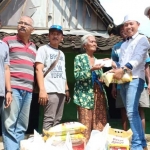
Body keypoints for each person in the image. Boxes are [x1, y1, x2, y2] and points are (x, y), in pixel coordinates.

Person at [111, 15, 150, 150]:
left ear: (138, 24)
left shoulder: (142, 39)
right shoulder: (124, 45)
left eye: (131, 24)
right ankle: (142, 144)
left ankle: (137, 145)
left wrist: (123, 69)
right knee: (131, 112)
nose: (128, 27)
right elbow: (120, 63)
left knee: (132, 112)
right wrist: (109, 63)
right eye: (126, 25)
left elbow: (138, 58)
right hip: (123, 80)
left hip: (135, 79)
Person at [2, 16, 36, 150]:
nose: (22, 25)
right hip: (13, 88)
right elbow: (4, 67)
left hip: (28, 90)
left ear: (32, 30)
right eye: (20, 22)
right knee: (9, 124)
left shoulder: (34, 47)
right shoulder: (7, 41)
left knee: (22, 125)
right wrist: (8, 90)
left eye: (26, 24)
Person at [73, 34, 108, 142]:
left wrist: (104, 77)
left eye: (95, 42)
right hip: (84, 96)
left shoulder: (98, 60)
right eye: (91, 41)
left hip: (98, 95)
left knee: (100, 126)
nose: (94, 43)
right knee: (85, 126)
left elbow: (101, 78)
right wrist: (91, 70)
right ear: (85, 45)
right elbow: (77, 76)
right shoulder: (79, 58)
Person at [35, 25, 70, 131]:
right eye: (53, 34)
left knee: (57, 121)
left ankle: (53, 145)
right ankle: (45, 145)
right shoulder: (43, 49)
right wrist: (42, 90)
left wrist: (66, 89)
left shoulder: (61, 54)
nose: (55, 36)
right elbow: (38, 69)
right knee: (49, 120)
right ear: (49, 36)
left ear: (62, 37)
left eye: (58, 34)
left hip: (61, 91)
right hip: (50, 90)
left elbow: (63, 72)